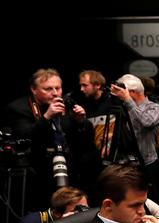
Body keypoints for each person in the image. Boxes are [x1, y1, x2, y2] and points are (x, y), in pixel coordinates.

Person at [2, 68, 96, 209]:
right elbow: (24, 136)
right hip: (38, 176)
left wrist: (81, 122)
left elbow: (86, 141)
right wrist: (46, 117)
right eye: (48, 89)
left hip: (71, 172)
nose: (55, 93)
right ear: (34, 90)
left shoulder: (67, 103)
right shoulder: (18, 108)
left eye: (58, 88)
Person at [110, 74, 159, 199]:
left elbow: (146, 122)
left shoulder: (154, 108)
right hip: (124, 164)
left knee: (148, 201)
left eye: (123, 91)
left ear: (132, 92)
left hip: (146, 164)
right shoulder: (123, 108)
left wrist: (128, 101)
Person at [16, 186, 88, 223]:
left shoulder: (86, 222)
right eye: (77, 210)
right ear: (57, 213)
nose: (83, 213)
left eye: (85, 208)